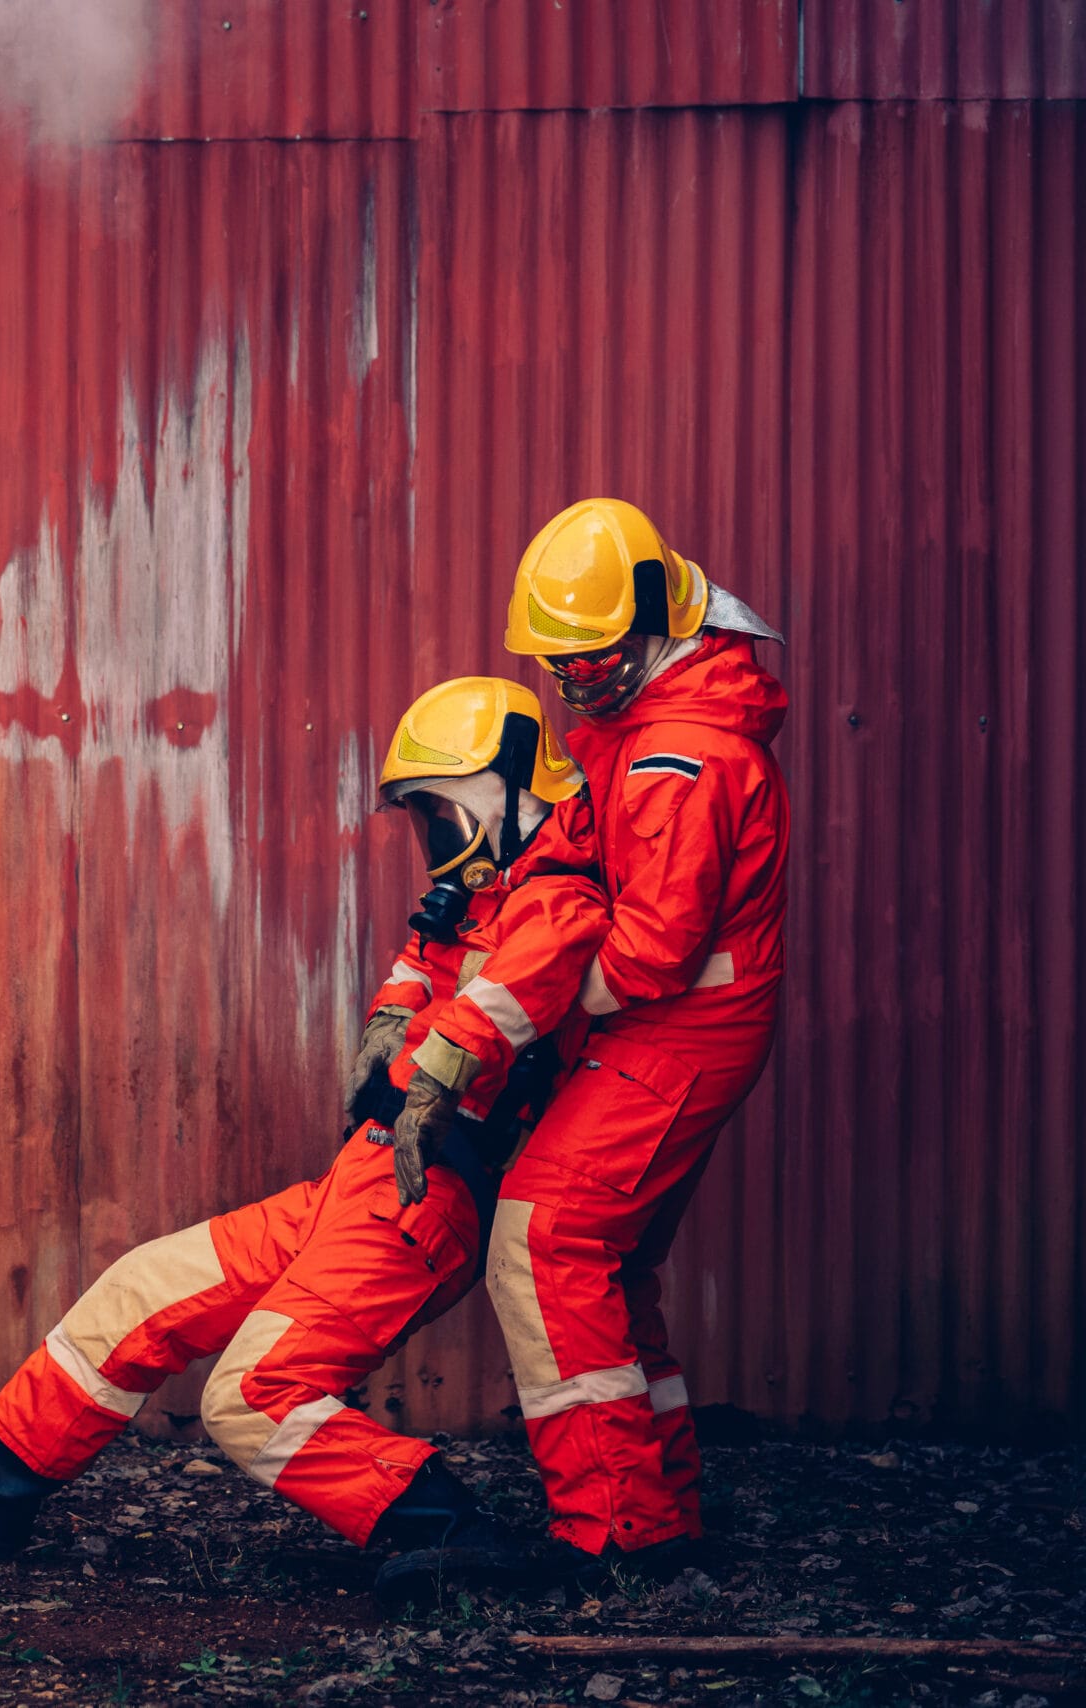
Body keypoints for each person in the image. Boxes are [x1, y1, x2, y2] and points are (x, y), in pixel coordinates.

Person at [0, 678, 608, 1608]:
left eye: (442, 812)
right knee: (145, 1288)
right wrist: (389, 1018)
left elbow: (506, 1003)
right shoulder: (485, 902)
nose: (435, 837)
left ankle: (454, 1536)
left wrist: (434, 1076)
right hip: (362, 1177)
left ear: (508, 791)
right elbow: (427, 963)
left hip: (424, 1198)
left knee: (253, 1395)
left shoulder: (559, 900)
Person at [400, 498, 787, 1588]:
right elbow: (566, 861)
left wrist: (530, 1011)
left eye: (598, 655)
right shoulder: (637, 724)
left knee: (541, 1241)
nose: (576, 677)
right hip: (666, 1031)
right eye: (559, 660)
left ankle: (619, 1533)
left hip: (675, 1032)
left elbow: (650, 951)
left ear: (660, 617)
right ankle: (656, 1515)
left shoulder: (680, 757)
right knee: (607, 1263)